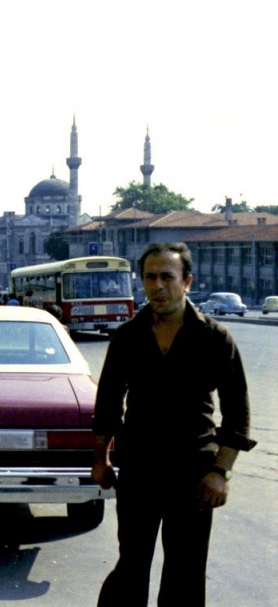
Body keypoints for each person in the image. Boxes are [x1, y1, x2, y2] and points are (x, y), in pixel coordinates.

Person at [91, 242, 256, 607]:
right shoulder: (128, 337)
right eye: (150, 277)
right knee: (131, 565)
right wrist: (100, 459)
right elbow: (107, 403)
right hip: (139, 469)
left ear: (187, 282)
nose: (157, 286)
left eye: (168, 276)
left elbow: (238, 414)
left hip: (194, 474)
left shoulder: (214, 338)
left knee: (186, 571)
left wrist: (220, 473)